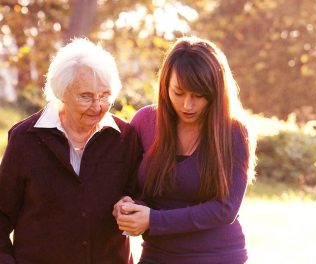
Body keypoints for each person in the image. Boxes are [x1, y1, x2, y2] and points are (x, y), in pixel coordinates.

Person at [113, 36, 256, 264]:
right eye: (178, 93)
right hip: (157, 255)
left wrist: (155, 221)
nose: (187, 105)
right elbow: (130, 184)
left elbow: (225, 209)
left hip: (217, 256)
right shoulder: (144, 122)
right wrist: (127, 204)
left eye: (198, 96)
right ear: (165, 85)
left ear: (215, 92)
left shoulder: (234, 132)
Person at [0, 38, 142, 264]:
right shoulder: (25, 139)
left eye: (105, 95)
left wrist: (132, 204)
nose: (97, 107)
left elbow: (141, 194)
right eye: (86, 96)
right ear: (61, 92)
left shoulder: (125, 138)